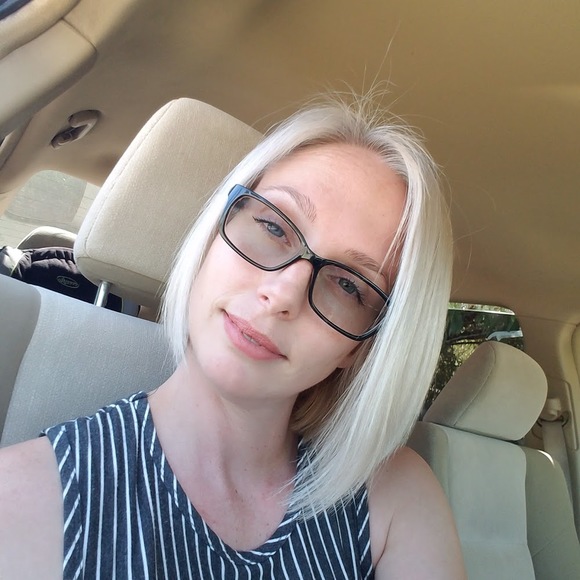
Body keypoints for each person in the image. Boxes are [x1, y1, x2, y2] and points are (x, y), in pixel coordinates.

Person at [0, 95, 466, 578]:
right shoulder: (20, 503)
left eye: (349, 285)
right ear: (211, 235)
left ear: (358, 348)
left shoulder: (394, 500)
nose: (282, 294)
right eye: (272, 226)